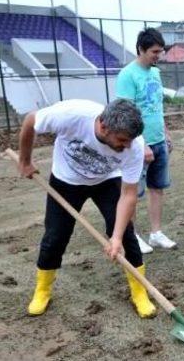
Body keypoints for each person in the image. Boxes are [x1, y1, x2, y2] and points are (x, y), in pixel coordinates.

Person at [16, 99, 156, 318]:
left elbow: (128, 195)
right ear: (103, 126)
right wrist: (25, 161)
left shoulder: (134, 146)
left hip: (107, 181)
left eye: (130, 141)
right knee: (55, 236)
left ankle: (139, 292)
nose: (127, 146)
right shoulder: (70, 115)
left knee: (127, 235)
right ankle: (42, 290)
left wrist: (116, 237)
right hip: (66, 181)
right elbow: (30, 121)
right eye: (121, 140)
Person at [116, 28, 175, 253]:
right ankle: (132, 236)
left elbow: (156, 106)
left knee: (157, 188)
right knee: (133, 193)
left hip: (159, 140)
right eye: (154, 51)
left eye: (160, 51)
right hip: (137, 145)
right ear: (141, 49)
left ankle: (156, 233)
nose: (158, 56)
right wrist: (143, 144)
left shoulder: (155, 73)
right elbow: (124, 115)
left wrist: (165, 132)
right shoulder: (127, 75)